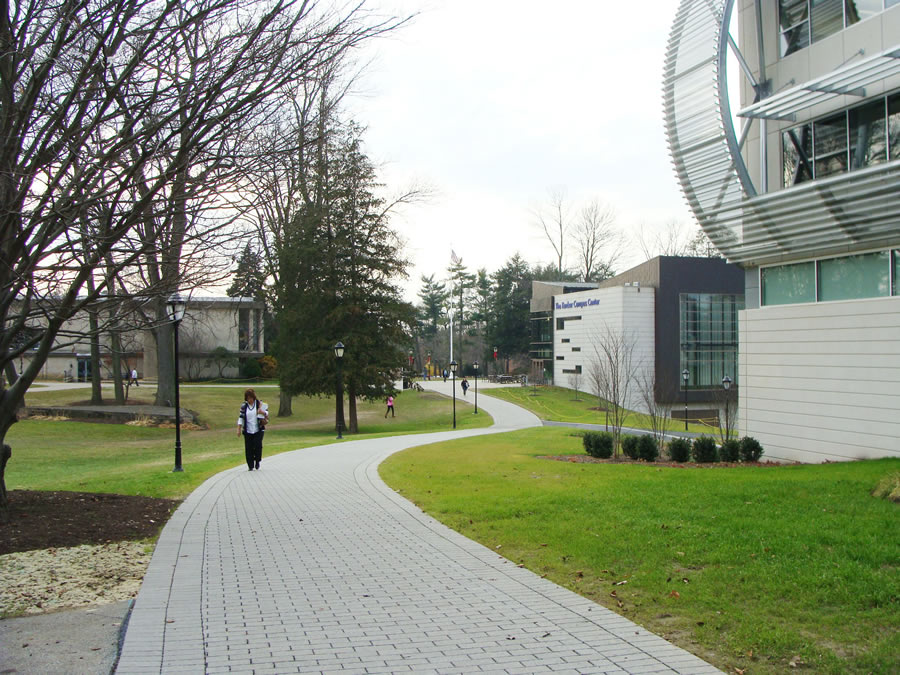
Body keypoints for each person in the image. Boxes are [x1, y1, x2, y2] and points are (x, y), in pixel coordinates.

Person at [237, 388, 268, 470]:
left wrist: (263, 412)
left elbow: (267, 413)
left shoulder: (259, 404)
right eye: (247, 398)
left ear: (254, 397)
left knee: (258, 446)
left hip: (258, 429)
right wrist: (239, 429)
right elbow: (240, 418)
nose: (249, 400)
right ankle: (250, 465)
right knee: (248, 448)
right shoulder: (244, 406)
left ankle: (257, 461)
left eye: (250, 398)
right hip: (248, 430)